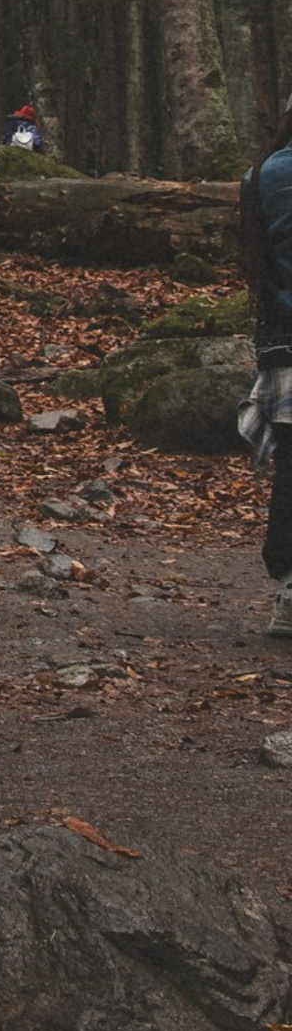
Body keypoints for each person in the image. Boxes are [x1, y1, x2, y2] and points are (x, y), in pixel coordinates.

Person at [235, 94, 292, 636]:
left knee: (291, 471)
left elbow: (255, 261)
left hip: (281, 340)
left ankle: (289, 591)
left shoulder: (262, 176)